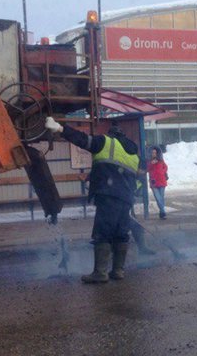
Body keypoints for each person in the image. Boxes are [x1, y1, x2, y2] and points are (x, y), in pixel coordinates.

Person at [45, 117, 140, 283]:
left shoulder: (106, 142)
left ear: (111, 135)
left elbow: (82, 139)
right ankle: (118, 270)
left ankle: (100, 272)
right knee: (121, 233)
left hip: (109, 196)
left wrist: (60, 128)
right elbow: (130, 177)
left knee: (102, 232)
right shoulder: (133, 153)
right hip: (126, 199)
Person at [147, 146, 168, 219]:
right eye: (152, 153)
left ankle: (161, 213)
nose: (154, 154)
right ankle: (163, 212)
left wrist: (163, 171)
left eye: (155, 153)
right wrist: (151, 164)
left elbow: (165, 167)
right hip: (154, 183)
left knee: (161, 198)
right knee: (158, 198)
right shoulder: (149, 161)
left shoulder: (161, 160)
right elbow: (147, 169)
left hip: (162, 181)